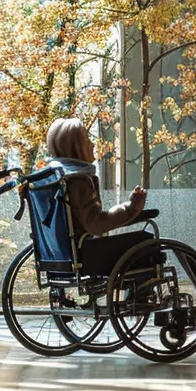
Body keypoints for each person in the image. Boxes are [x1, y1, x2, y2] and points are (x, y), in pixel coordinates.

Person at [43, 118, 153, 276]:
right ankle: (141, 299)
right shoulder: (77, 180)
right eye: (87, 139)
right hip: (87, 256)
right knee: (146, 242)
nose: (92, 145)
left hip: (57, 254)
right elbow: (96, 224)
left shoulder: (52, 178)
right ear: (76, 147)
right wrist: (131, 208)